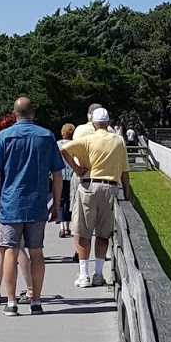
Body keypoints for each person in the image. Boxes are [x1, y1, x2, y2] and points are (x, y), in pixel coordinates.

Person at [0, 96, 65, 317]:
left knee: (10, 250)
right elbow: (57, 173)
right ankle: (36, 300)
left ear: (15, 113)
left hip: (11, 204)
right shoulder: (46, 136)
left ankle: (11, 303)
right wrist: (56, 203)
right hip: (37, 203)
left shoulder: (4, 137)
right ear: (33, 113)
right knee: (36, 252)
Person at [64, 107, 130, 289]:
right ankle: (98, 273)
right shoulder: (118, 141)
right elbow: (124, 171)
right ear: (108, 124)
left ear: (93, 123)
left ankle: (84, 274)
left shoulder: (87, 140)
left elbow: (65, 150)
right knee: (103, 233)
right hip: (109, 188)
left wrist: (76, 169)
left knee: (83, 231)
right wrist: (127, 192)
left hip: (88, 186)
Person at [57, 123, 76, 238]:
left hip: (59, 176)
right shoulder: (74, 144)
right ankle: (68, 227)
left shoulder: (57, 144)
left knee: (60, 201)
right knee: (69, 202)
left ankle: (62, 227)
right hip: (71, 176)